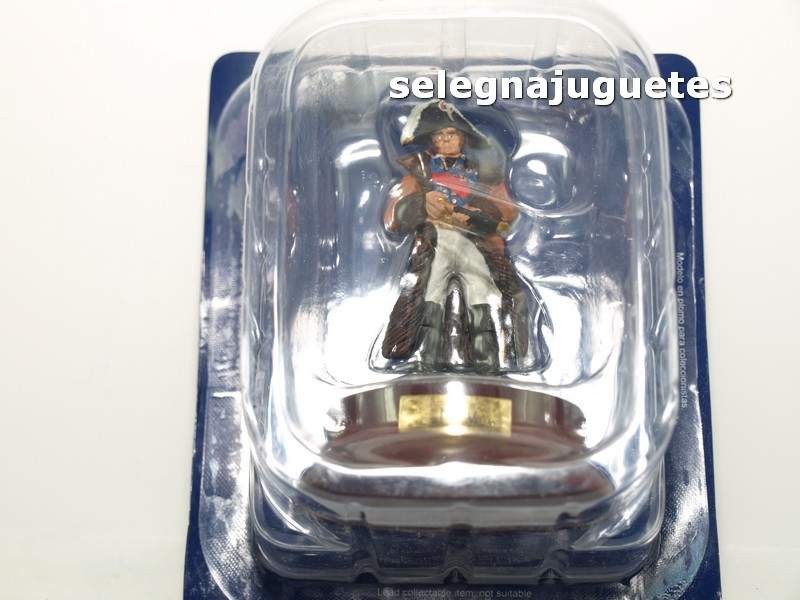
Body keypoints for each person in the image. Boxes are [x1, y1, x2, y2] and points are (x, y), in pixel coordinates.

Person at [381, 100, 545, 373]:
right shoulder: (420, 175)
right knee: (431, 294)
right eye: (440, 135)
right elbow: (394, 218)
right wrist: (423, 203)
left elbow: (507, 213)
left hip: (473, 243)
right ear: (432, 141)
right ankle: (427, 358)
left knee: (482, 293)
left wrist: (476, 215)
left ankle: (488, 360)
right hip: (437, 240)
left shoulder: (482, 175)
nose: (446, 140)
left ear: (462, 138)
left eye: (452, 134)